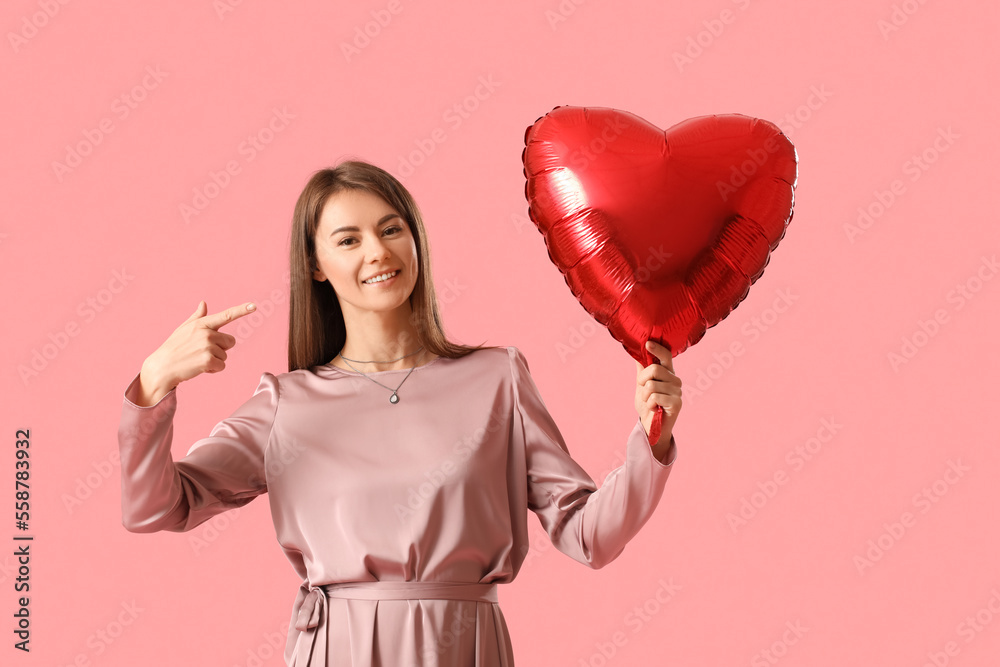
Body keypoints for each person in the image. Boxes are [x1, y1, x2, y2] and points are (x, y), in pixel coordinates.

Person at [117, 159, 683, 666]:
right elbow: (154, 509)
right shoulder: (286, 404)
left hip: (467, 647)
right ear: (315, 265)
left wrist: (651, 438)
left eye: (392, 229)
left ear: (416, 241)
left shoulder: (497, 377)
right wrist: (154, 381)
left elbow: (590, 536)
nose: (378, 252)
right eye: (348, 239)